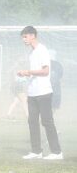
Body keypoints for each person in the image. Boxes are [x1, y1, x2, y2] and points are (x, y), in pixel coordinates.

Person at [17, 26, 63, 160]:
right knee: (32, 121)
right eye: (22, 37)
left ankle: (56, 152)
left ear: (33, 35)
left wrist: (28, 72)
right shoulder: (31, 53)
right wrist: (26, 75)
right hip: (32, 93)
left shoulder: (42, 50)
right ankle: (36, 151)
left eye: (25, 37)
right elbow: (35, 72)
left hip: (43, 92)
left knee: (47, 121)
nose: (24, 40)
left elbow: (45, 71)